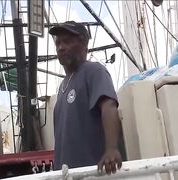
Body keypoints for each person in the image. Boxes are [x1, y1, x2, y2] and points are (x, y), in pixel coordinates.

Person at [49, 21, 122, 175]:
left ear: (84, 43)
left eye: (67, 41)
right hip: (68, 175)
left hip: (94, 174)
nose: (61, 47)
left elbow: (108, 106)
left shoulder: (93, 71)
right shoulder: (62, 87)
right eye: (58, 43)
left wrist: (112, 149)